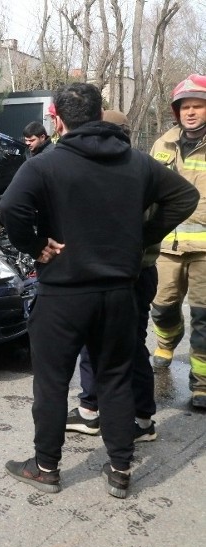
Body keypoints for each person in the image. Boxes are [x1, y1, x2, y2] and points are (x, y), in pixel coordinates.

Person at [0, 83, 198, 499]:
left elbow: (10, 207)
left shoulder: (44, 165)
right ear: (100, 113)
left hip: (63, 293)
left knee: (52, 383)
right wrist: (142, 236)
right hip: (118, 292)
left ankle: (46, 467)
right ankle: (121, 468)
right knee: (116, 378)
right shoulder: (138, 162)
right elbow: (184, 195)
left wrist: (36, 245)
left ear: (57, 118)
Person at [66, 109, 160, 442]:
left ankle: (142, 419)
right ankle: (91, 411)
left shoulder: (136, 170)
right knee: (97, 344)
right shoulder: (125, 167)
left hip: (129, 276)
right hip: (115, 274)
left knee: (129, 346)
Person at [149, 74, 206, 410]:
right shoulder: (162, 145)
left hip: (205, 250)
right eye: (185, 106)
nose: (191, 112)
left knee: (204, 317)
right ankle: (167, 342)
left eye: (197, 105)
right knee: (163, 307)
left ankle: (201, 386)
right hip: (167, 246)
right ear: (176, 111)